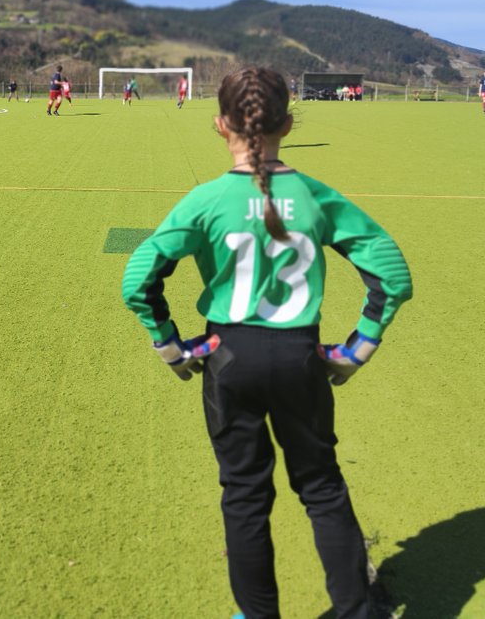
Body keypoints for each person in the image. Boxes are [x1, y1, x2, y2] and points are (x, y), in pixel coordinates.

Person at [121, 66, 413, 619]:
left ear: (220, 125)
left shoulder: (206, 201)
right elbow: (392, 275)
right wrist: (357, 349)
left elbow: (138, 280)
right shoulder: (316, 196)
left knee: (244, 493)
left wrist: (170, 346)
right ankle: (357, 612)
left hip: (229, 359)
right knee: (321, 487)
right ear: (288, 123)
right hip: (301, 358)